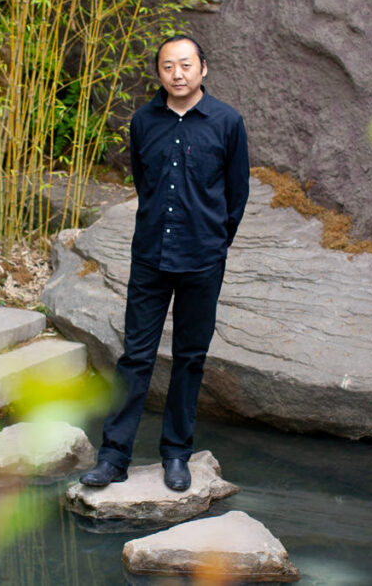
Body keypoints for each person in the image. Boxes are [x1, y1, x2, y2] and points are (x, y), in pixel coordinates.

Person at [80, 34, 249, 491]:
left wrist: (214, 243)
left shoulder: (227, 122)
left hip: (202, 259)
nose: (177, 74)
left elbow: (237, 195)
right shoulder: (143, 122)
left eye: (186, 65)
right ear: (159, 73)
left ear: (203, 69)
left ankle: (176, 455)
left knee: (190, 358)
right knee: (135, 356)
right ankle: (113, 456)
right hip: (151, 256)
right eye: (168, 66)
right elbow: (143, 180)